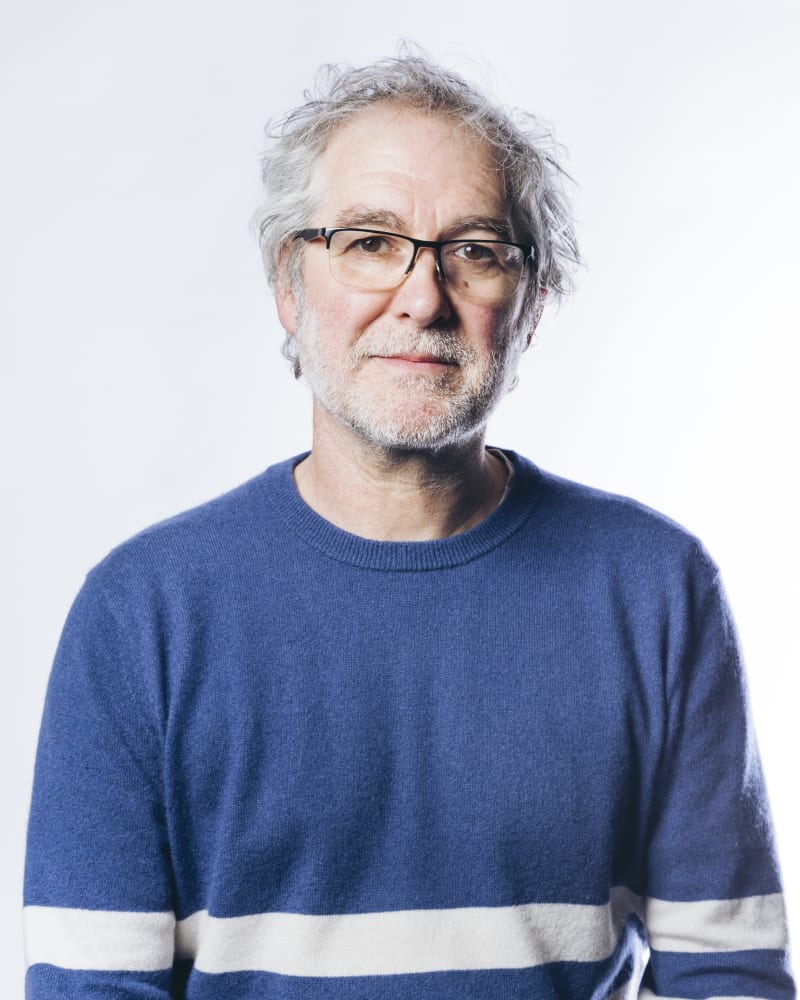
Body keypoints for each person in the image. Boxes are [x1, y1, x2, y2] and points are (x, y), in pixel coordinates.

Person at [24, 52, 794, 1000]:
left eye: (476, 250)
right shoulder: (142, 614)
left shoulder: (655, 589)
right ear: (288, 286)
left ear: (532, 303)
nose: (423, 297)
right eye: (369, 241)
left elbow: (730, 976)